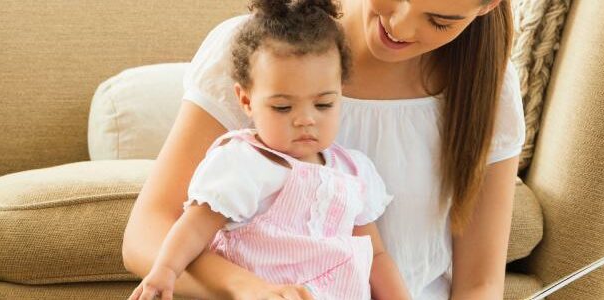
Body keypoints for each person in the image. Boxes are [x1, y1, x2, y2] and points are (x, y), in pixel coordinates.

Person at [122, 0, 524, 298]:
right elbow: (146, 234)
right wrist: (250, 289)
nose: (400, 25)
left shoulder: (487, 83)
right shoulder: (264, 50)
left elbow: (480, 282)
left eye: (439, 20)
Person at [128, 1, 408, 299]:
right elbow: (195, 226)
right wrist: (166, 271)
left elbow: (375, 257)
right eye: (283, 107)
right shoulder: (243, 162)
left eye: (324, 104)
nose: (305, 120)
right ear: (246, 101)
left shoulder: (354, 170)